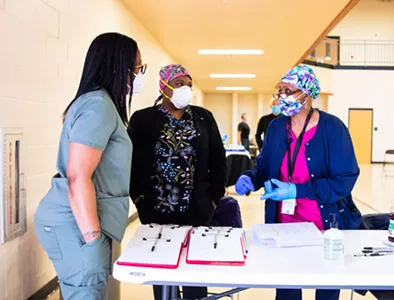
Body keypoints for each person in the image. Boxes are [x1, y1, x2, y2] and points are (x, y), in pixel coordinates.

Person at [34, 33, 145, 300]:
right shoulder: (98, 106)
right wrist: (92, 238)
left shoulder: (96, 102)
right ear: (119, 66)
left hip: (78, 220)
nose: (139, 75)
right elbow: (77, 176)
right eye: (137, 68)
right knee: (86, 293)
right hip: (77, 224)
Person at [235, 65, 361, 300]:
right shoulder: (276, 127)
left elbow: (345, 179)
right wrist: (251, 177)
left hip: (323, 227)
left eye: (288, 90)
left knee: (326, 289)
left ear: (306, 95)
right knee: (287, 290)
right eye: (280, 90)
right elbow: (264, 165)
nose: (281, 95)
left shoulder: (332, 128)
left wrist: (297, 190)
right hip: (283, 228)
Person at [128, 64, 226, 300]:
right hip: (157, 209)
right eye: (180, 84)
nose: (186, 90)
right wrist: (139, 198)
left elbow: (218, 158)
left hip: (198, 208)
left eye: (189, 85)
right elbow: (131, 162)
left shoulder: (203, 117)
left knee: (195, 271)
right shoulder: (142, 119)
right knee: (162, 271)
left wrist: (214, 198)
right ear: (165, 86)